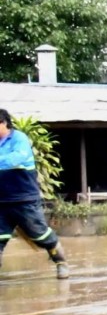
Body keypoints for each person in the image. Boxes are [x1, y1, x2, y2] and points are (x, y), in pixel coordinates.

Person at [0, 108, 69, 279]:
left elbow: (14, 159)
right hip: (1, 202)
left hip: (24, 199)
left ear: (4, 123)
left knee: (40, 234)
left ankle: (61, 262)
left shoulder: (19, 139)